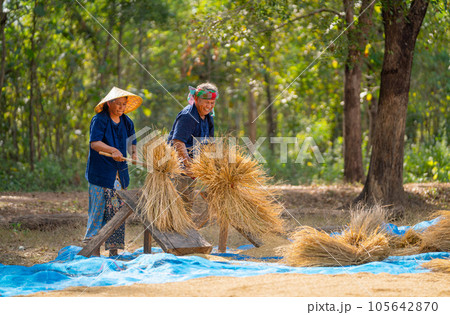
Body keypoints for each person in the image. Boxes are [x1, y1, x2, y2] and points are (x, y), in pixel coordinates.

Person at [84, 87, 142, 257]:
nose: (121, 108)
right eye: (118, 104)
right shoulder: (99, 120)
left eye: (124, 105)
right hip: (100, 173)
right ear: (109, 103)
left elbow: (132, 141)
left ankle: (114, 252)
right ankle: (91, 250)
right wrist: (112, 150)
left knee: (116, 212)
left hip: (119, 175)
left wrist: (134, 154)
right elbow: (94, 143)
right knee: (98, 210)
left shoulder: (127, 122)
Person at [167, 82, 218, 213]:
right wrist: (188, 164)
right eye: (206, 102)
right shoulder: (188, 116)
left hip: (191, 169)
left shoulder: (208, 118)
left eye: (212, 103)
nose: (209, 106)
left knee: (186, 205)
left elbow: (209, 144)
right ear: (196, 99)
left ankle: (183, 230)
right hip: (178, 168)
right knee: (177, 206)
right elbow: (178, 142)